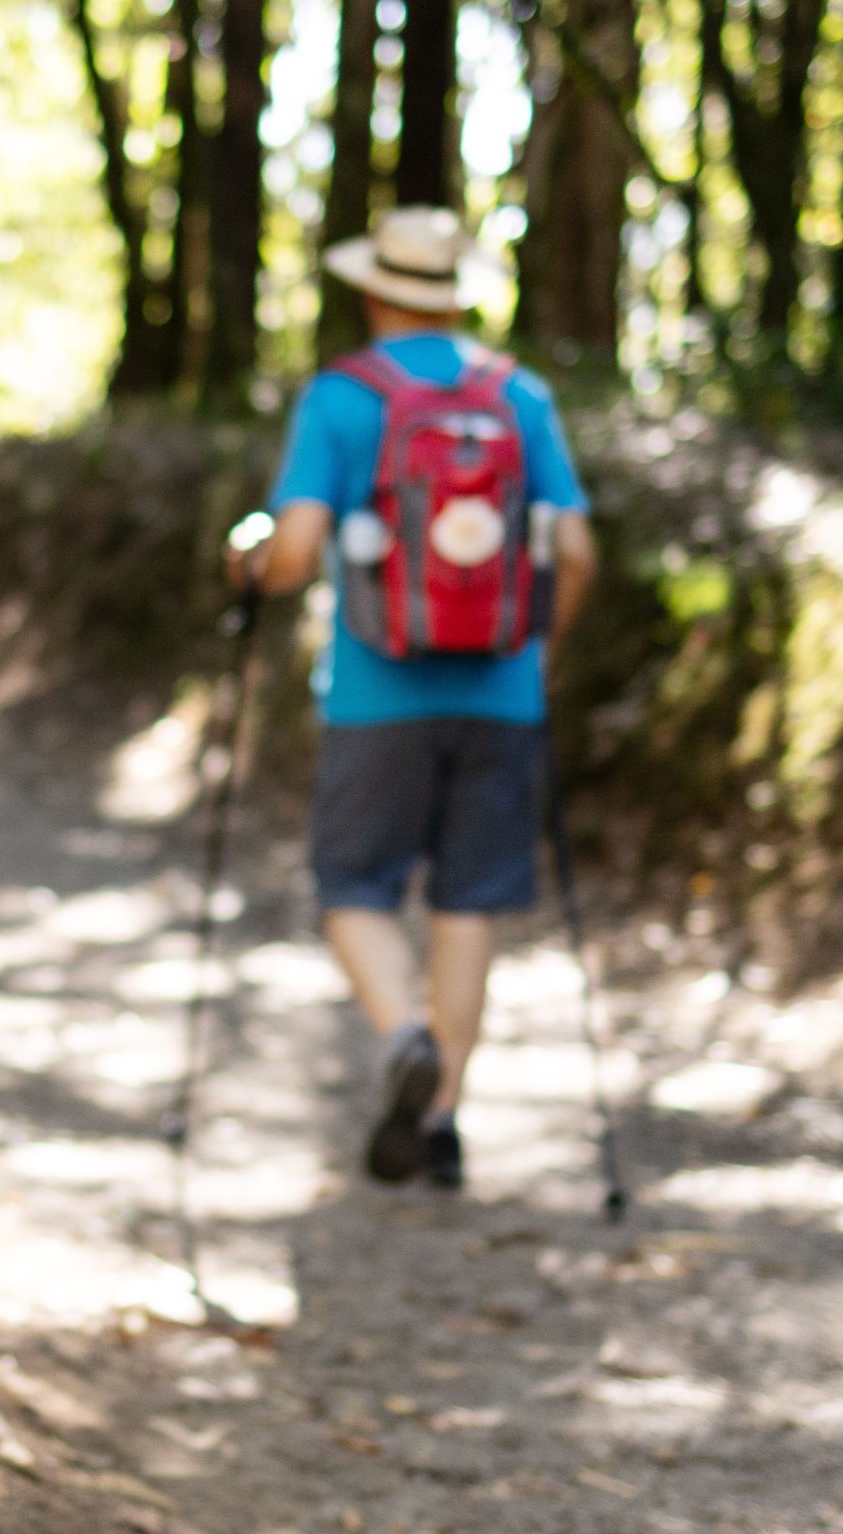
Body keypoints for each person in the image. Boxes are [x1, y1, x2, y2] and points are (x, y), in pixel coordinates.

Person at [229, 206, 597, 1191]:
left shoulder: (343, 398)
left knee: (354, 886)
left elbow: (298, 548)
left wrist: (252, 569)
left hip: (376, 692)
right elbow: (576, 549)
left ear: (372, 289)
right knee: (469, 906)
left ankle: (402, 1036)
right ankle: (440, 1123)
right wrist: (538, 657)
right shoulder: (521, 395)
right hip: (503, 692)